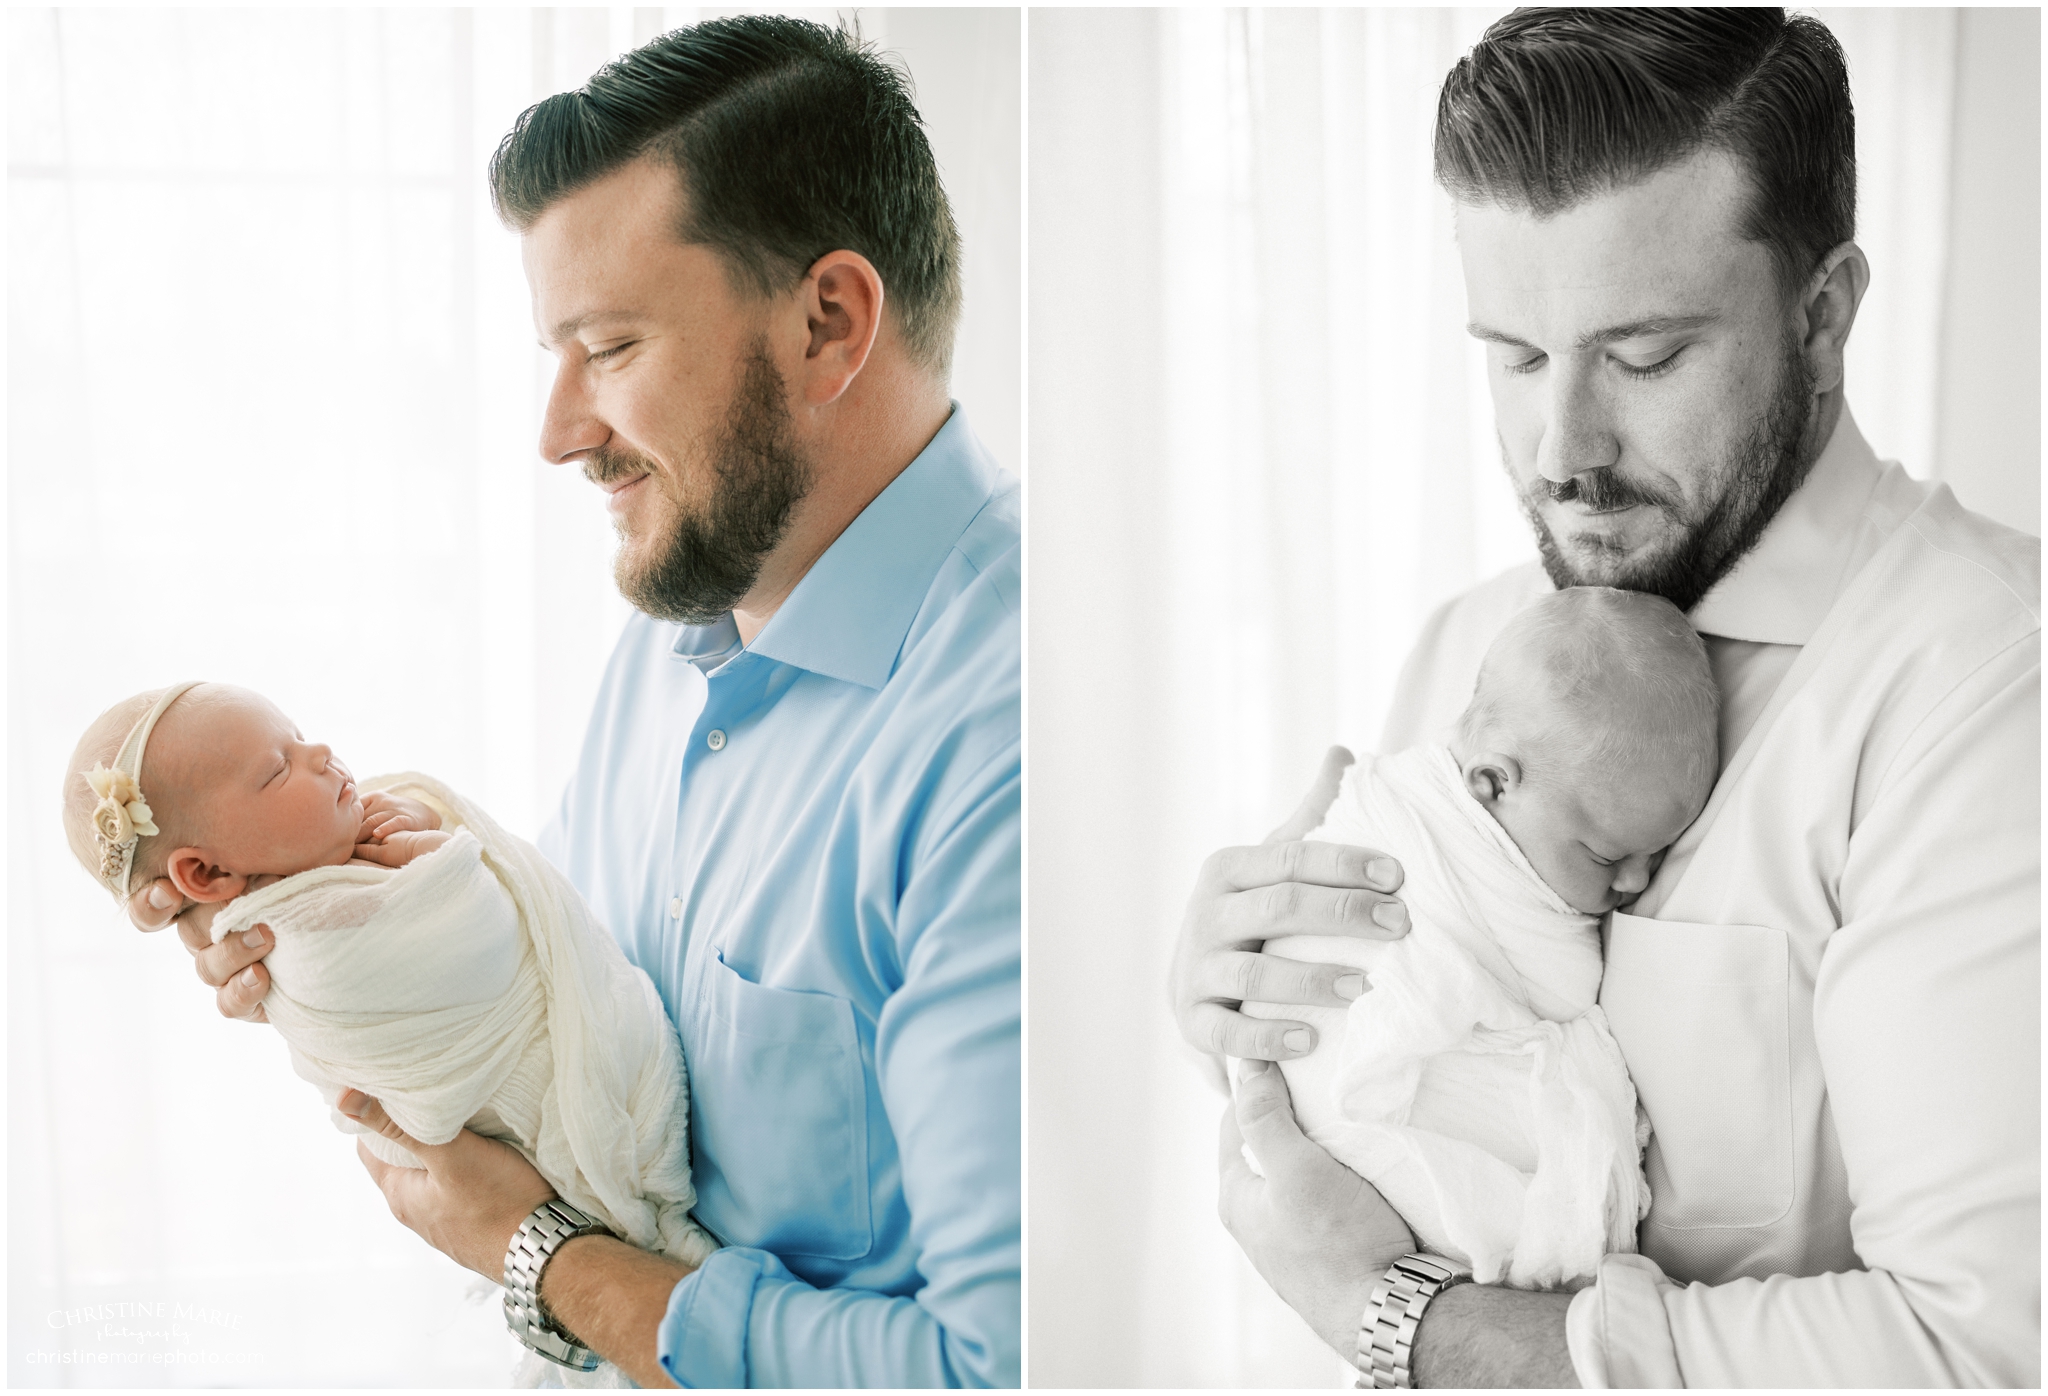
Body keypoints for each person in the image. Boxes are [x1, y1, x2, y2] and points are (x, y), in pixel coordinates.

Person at [125, 16, 1019, 1389]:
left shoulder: (1016, 738)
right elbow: (566, 1036)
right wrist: (347, 944)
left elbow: (1004, 1367)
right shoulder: (672, 643)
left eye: (606, 347)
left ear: (829, 324)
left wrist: (538, 1255)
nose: (556, 430)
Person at [1171, 9, 2038, 1387]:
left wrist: (1405, 1323)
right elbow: (1406, 1098)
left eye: (1643, 360)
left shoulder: (1991, 683)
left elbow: (1988, 1349)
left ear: (1822, 320)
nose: (1560, 452)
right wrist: (1252, 1021)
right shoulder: (1468, 646)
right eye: (1514, 356)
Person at [1246, 587, 1716, 1293]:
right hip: (1336, 1112)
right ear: (1492, 781)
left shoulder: (1545, 804)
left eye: (1657, 853)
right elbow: (1562, 992)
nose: (1635, 880)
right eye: (1604, 855)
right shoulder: (1406, 816)